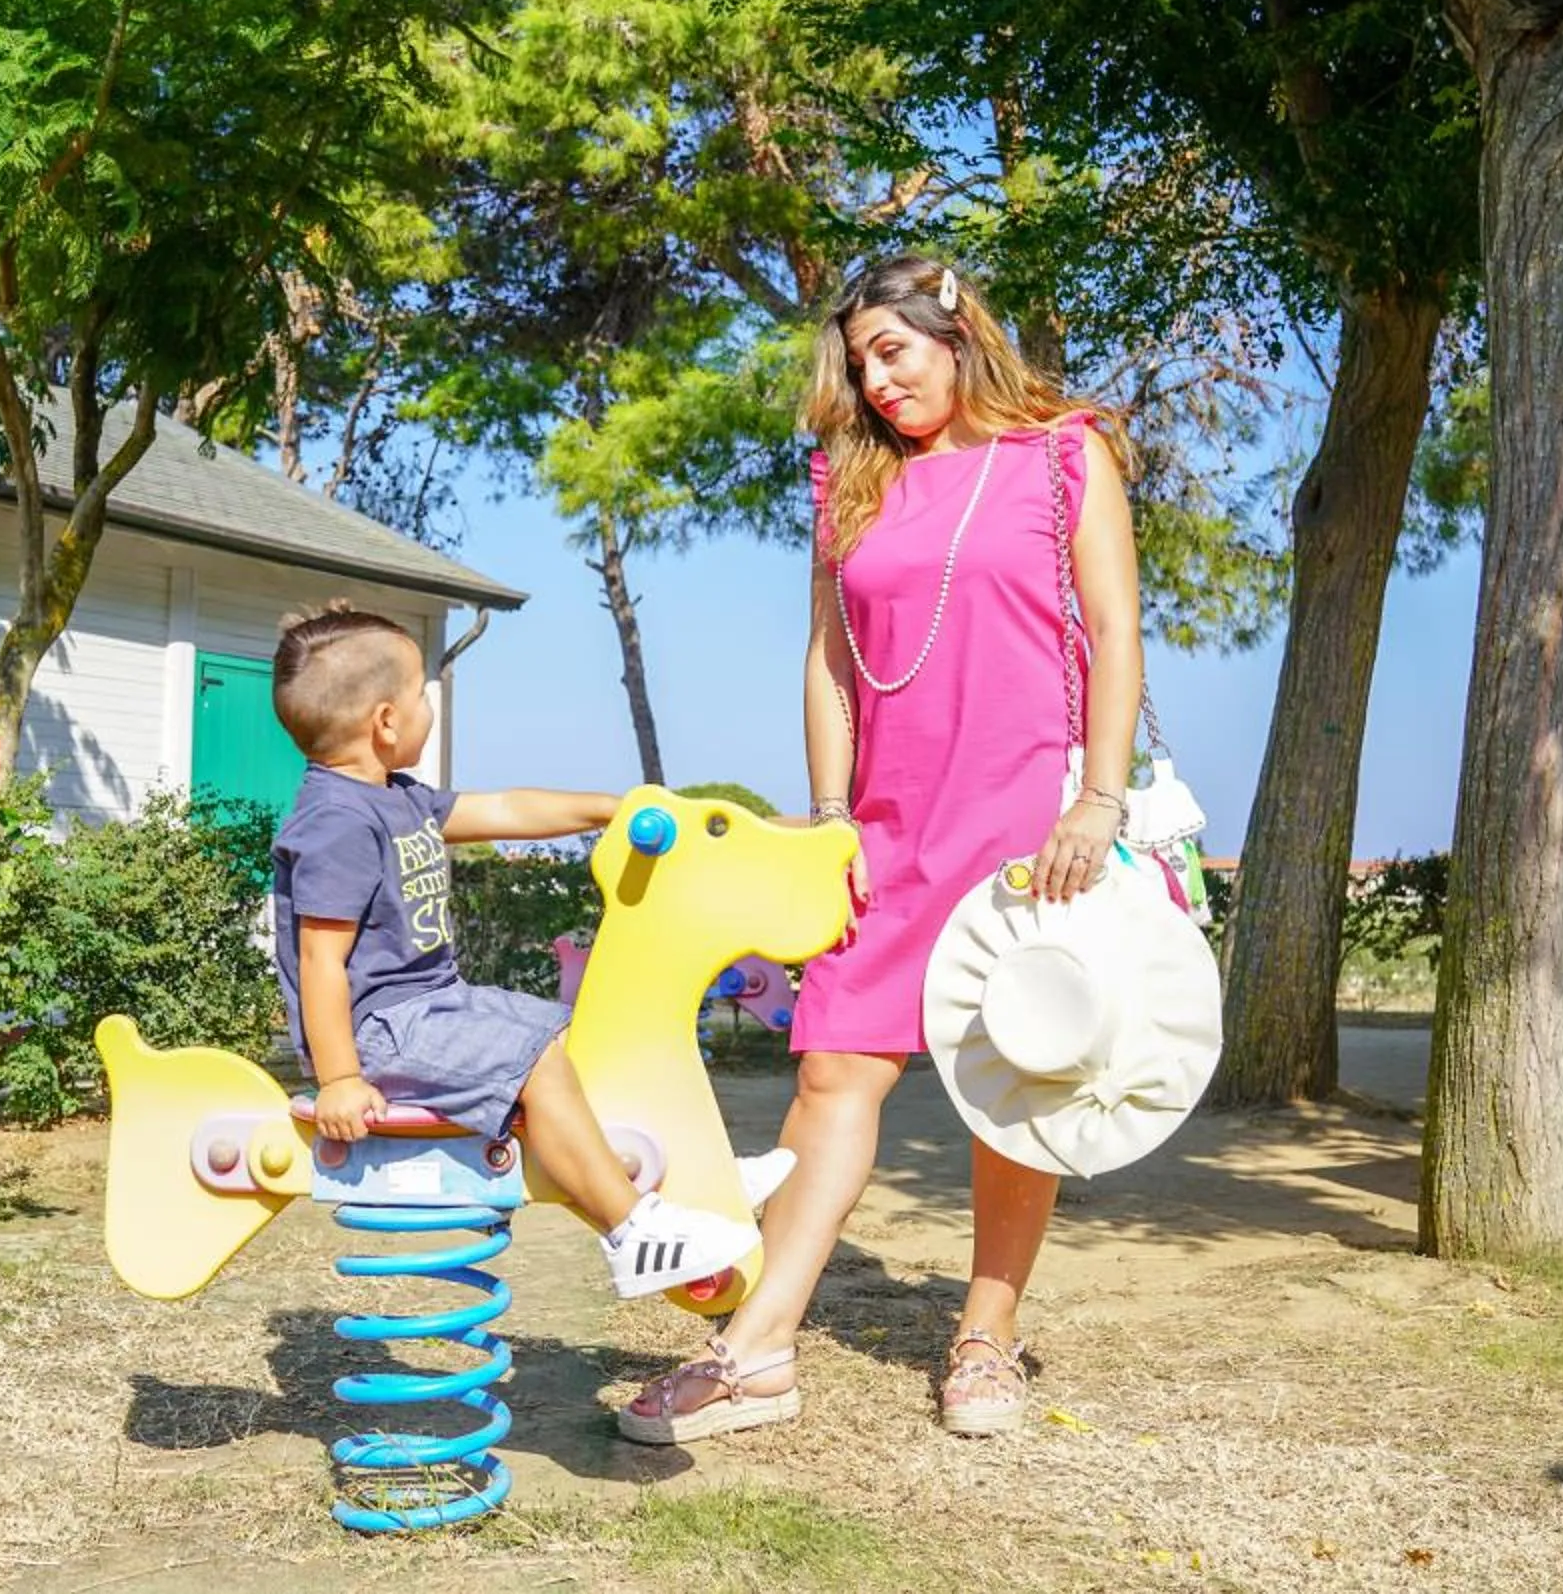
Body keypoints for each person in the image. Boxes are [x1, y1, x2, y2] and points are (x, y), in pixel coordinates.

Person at [619, 254, 1146, 1441]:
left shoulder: (1068, 453)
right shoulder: (846, 479)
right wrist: (830, 813)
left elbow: (1115, 630)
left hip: (1029, 821)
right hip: (887, 823)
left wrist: (1098, 800)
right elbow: (830, 659)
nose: (877, 381)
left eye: (893, 352)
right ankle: (757, 1349)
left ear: (956, 332)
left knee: (1015, 1082)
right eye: (859, 365)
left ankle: (987, 1338)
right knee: (833, 1069)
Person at [269, 607, 786, 1298]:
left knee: (561, 1034)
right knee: (533, 1057)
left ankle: (696, 1174)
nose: (430, 708)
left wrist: (613, 808)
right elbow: (320, 961)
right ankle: (635, 1234)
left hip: (433, 1006)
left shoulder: (397, 799)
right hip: (381, 1033)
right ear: (387, 721)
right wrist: (339, 1077)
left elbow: (508, 809)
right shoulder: (336, 821)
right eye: (425, 693)